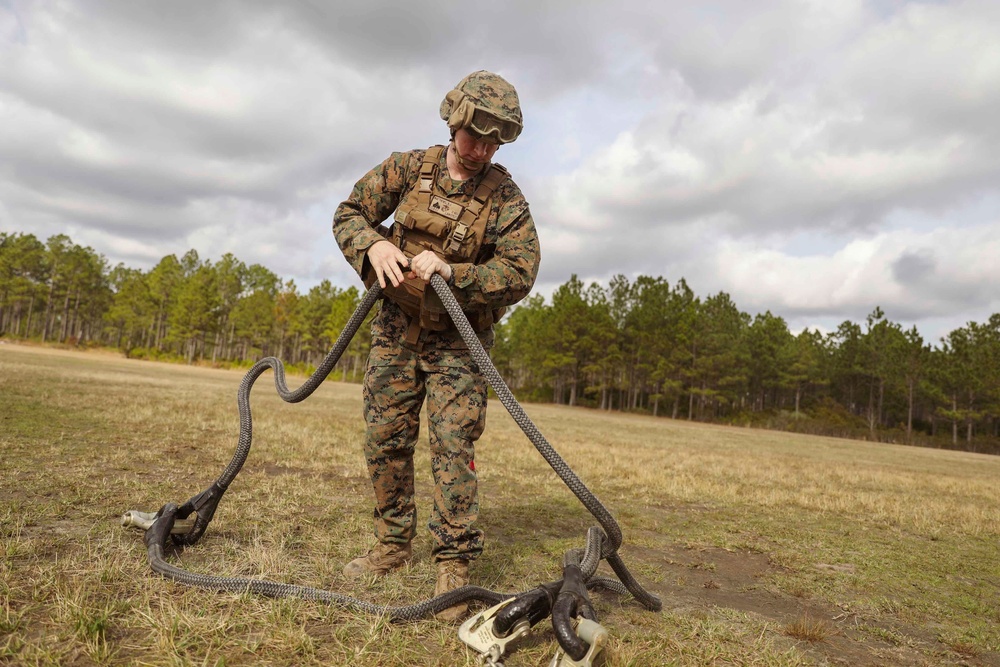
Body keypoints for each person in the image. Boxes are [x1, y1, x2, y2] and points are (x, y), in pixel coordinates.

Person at [331, 70, 540, 621]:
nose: (482, 150)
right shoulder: (407, 169)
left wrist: (455, 271)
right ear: (454, 122)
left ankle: (454, 562)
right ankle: (392, 546)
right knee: (386, 439)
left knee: (453, 448)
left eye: (495, 142)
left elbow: (521, 271)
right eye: (475, 137)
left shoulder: (506, 197)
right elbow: (348, 213)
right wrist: (372, 246)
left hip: (459, 345)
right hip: (395, 333)